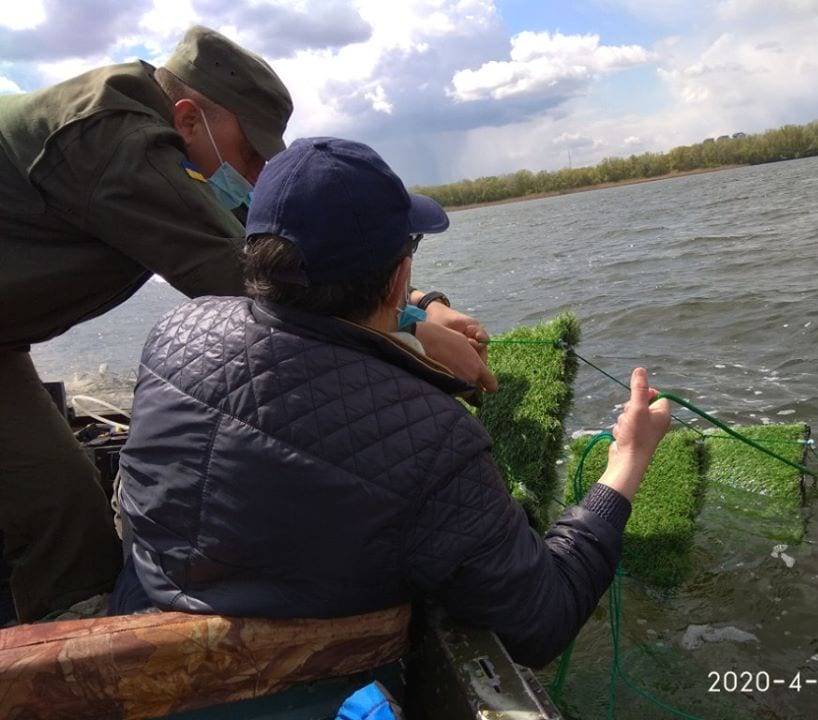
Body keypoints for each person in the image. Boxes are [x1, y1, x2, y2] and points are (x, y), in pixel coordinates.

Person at [116, 137, 672, 669]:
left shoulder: (177, 330)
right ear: (399, 274)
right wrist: (627, 463)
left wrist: (418, 316)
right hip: (302, 696)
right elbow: (540, 620)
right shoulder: (435, 440)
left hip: (135, 650)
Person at [0, 25, 293, 623]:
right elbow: (246, 280)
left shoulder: (184, 152)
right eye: (253, 156)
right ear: (188, 118)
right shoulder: (114, 141)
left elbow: (272, 241)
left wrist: (419, 301)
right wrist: (402, 331)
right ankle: (74, 666)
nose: (259, 177)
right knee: (63, 511)